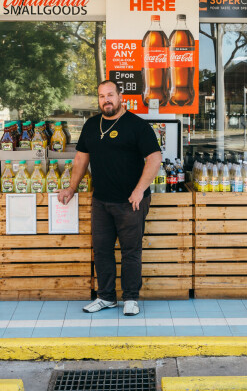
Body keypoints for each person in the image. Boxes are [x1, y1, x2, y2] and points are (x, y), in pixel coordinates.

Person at [58, 80, 162, 316]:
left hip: (131, 201)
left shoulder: (137, 126)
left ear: (120, 96)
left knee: (130, 250)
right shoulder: (92, 125)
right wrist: (71, 188)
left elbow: (154, 159)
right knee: (102, 250)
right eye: (102, 96)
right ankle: (106, 297)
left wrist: (139, 190)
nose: (106, 100)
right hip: (101, 201)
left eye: (110, 95)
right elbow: (81, 160)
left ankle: (131, 298)